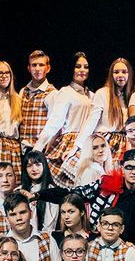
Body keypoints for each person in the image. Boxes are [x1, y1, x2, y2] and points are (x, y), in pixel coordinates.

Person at [42, 149, 135, 244]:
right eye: (129, 167)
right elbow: (73, 193)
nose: (134, 172)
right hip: (101, 244)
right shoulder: (106, 185)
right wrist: (39, 195)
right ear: (122, 168)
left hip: (132, 249)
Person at [35, 52, 93, 185]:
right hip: (70, 143)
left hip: (88, 143)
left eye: (86, 67)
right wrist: (38, 146)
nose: (82, 70)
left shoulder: (92, 95)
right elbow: (55, 122)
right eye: (78, 66)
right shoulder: (66, 92)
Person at [78, 58, 133, 161]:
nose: (120, 75)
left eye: (124, 72)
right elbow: (92, 120)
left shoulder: (130, 97)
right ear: (111, 75)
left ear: (129, 74)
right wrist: (78, 145)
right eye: (116, 72)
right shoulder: (103, 93)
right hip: (105, 141)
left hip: (123, 144)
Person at [18, 50, 56, 151]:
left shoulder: (52, 93)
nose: (37, 69)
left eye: (41, 65)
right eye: (34, 65)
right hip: (22, 149)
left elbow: (53, 125)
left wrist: (41, 148)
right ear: (29, 68)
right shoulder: (23, 91)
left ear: (48, 68)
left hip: (40, 149)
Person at [21, 150, 60, 232]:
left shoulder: (51, 190)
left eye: (38, 165)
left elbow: (50, 225)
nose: (34, 169)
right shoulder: (21, 191)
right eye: (29, 166)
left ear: (44, 166)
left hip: (45, 235)